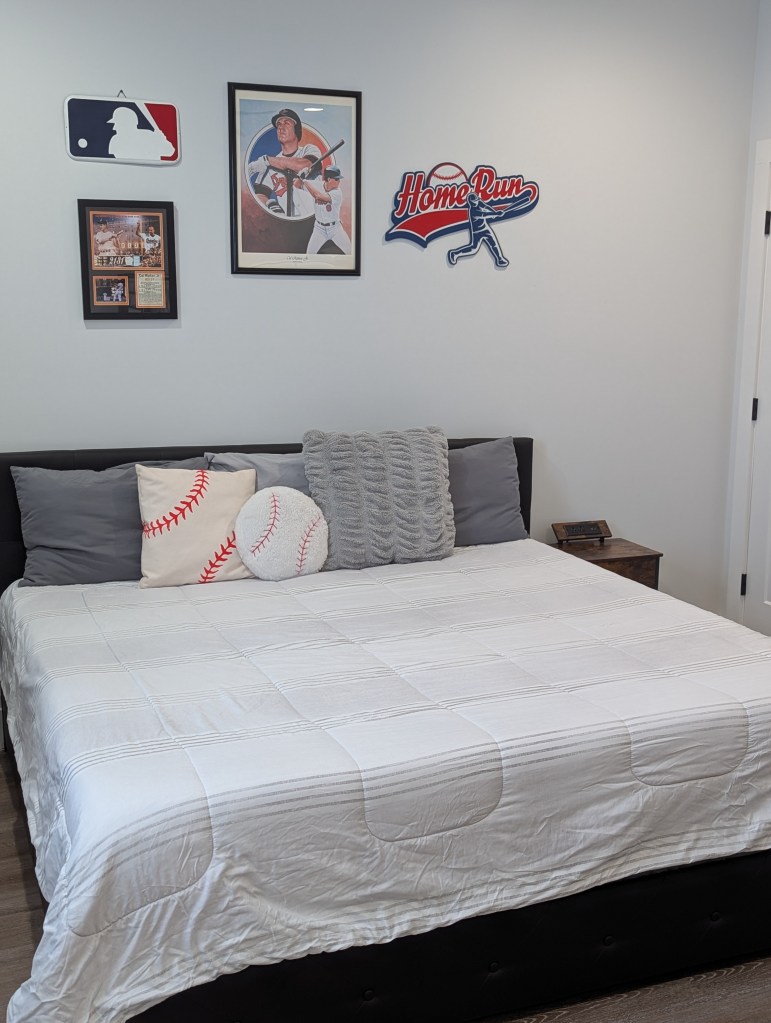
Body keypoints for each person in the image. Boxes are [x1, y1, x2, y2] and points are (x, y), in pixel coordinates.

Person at [246, 108, 322, 218]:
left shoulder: (309, 150)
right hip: (289, 223)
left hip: (316, 217)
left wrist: (267, 160)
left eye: (286, 123)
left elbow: (304, 165)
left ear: (296, 130)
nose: (281, 127)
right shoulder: (271, 164)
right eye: (279, 124)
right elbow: (259, 194)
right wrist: (270, 204)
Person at [299, 166, 352, 255]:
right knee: (309, 255)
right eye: (336, 179)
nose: (339, 181)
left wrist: (304, 180)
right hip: (319, 229)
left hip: (335, 229)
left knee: (350, 252)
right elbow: (296, 185)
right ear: (329, 179)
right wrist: (301, 175)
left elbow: (318, 196)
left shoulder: (338, 193)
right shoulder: (317, 185)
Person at [447, 192, 509, 268]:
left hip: (485, 228)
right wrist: (495, 214)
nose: (476, 203)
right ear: (470, 202)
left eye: (476, 201)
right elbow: (484, 215)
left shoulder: (478, 202)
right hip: (477, 232)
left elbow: (486, 206)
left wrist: (494, 211)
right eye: (474, 202)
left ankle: (500, 259)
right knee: (473, 249)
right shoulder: (473, 211)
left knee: (494, 244)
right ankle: (455, 253)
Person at [107, 106, 175, 161]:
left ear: (127, 124)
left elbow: (169, 152)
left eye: (117, 124)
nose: (114, 128)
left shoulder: (149, 136)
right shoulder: (116, 140)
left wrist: (161, 140)